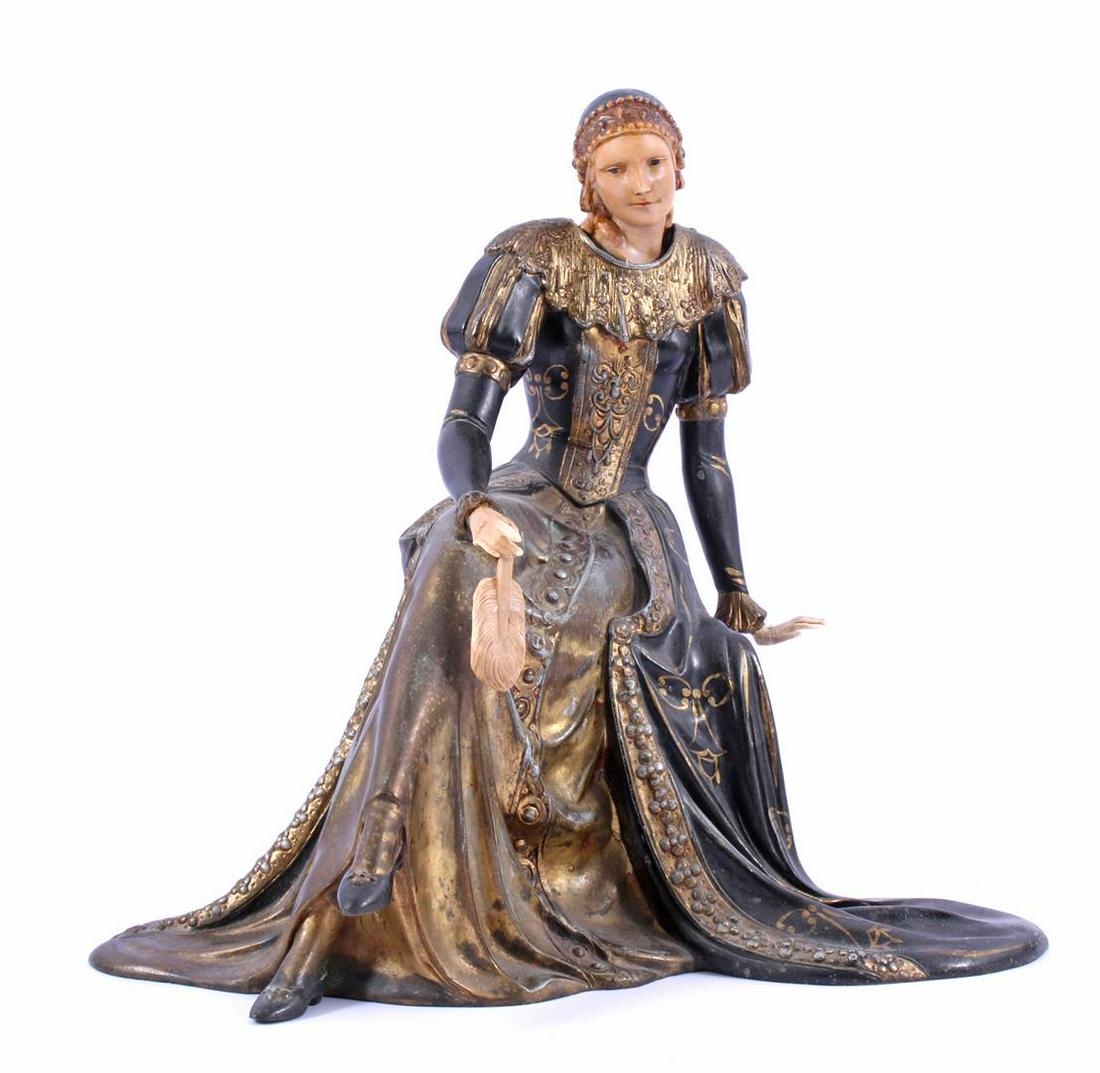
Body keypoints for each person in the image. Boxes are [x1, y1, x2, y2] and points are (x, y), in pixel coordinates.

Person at [89, 89, 1046, 1022]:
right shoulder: (535, 260)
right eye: (617, 168)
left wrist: (735, 587)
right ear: (588, 178)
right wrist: (473, 508)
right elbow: (465, 422)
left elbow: (707, 459)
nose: (640, 182)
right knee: (452, 566)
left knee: (585, 598)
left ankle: (519, 863)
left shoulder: (708, 280)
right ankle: (375, 838)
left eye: (654, 163)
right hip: (523, 493)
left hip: (630, 519)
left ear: (681, 168)